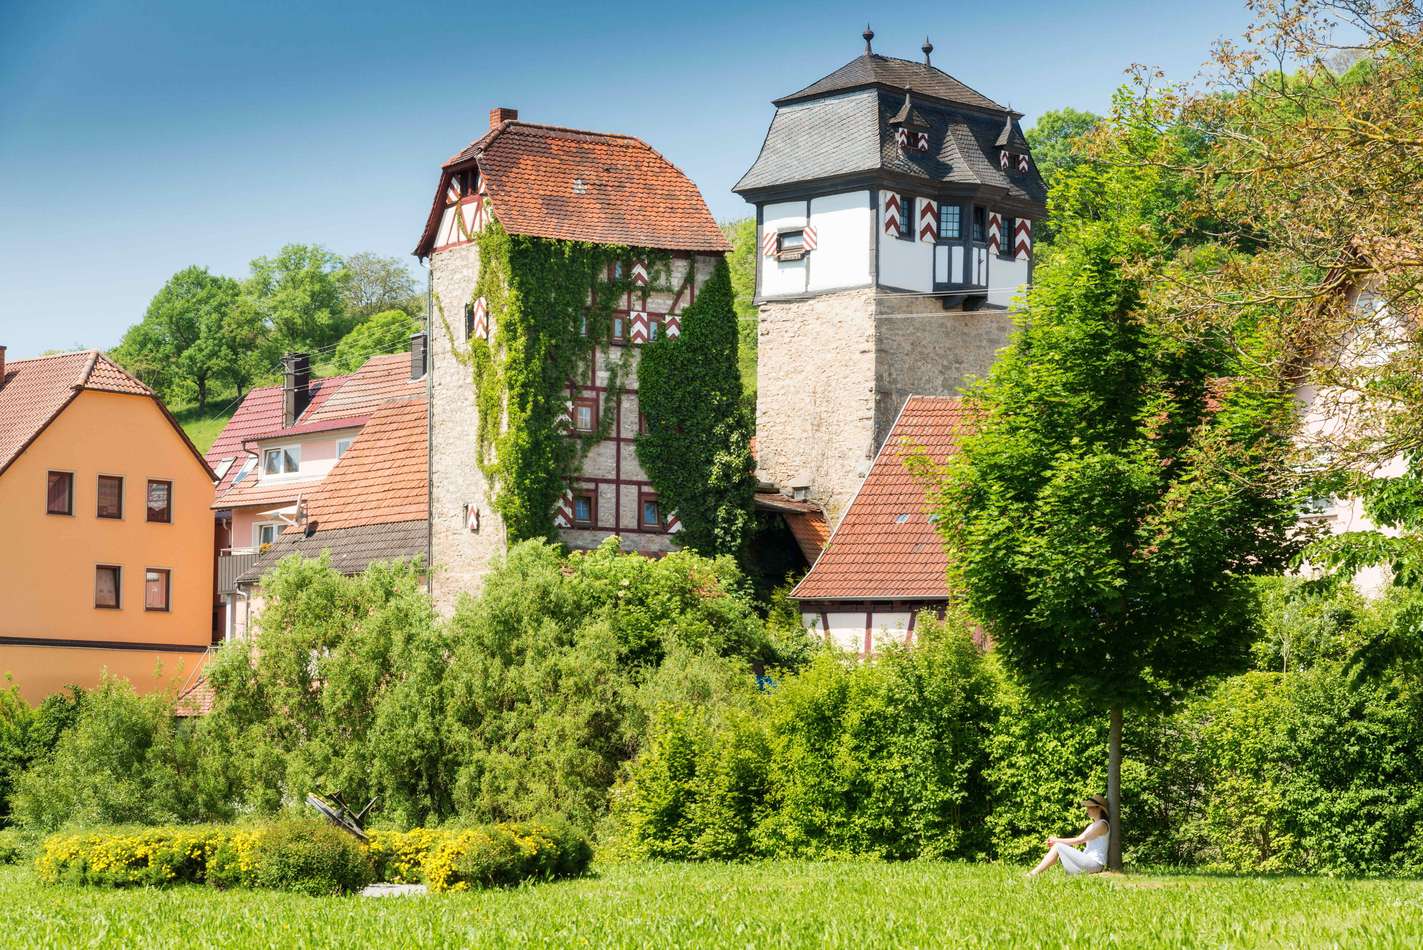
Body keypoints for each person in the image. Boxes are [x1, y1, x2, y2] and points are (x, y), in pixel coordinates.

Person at [1027, 794, 1111, 877]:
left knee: (1058, 846)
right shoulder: (1093, 825)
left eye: (1090, 807)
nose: (1087, 809)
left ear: (1099, 808)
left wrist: (1056, 840)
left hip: (1095, 864)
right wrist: (1056, 841)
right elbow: (1079, 839)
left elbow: (1079, 840)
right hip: (1089, 860)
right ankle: (1034, 873)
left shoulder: (1102, 824)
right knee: (1058, 846)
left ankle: (1033, 874)